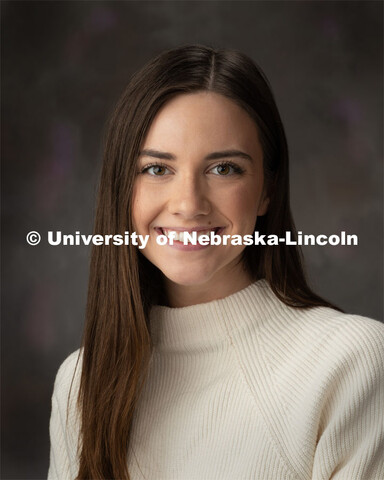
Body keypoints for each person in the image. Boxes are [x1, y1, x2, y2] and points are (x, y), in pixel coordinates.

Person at [48, 45, 384, 480]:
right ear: (120, 189)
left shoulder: (352, 363)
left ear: (266, 190)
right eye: (156, 169)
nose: (188, 205)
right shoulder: (79, 382)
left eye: (224, 168)